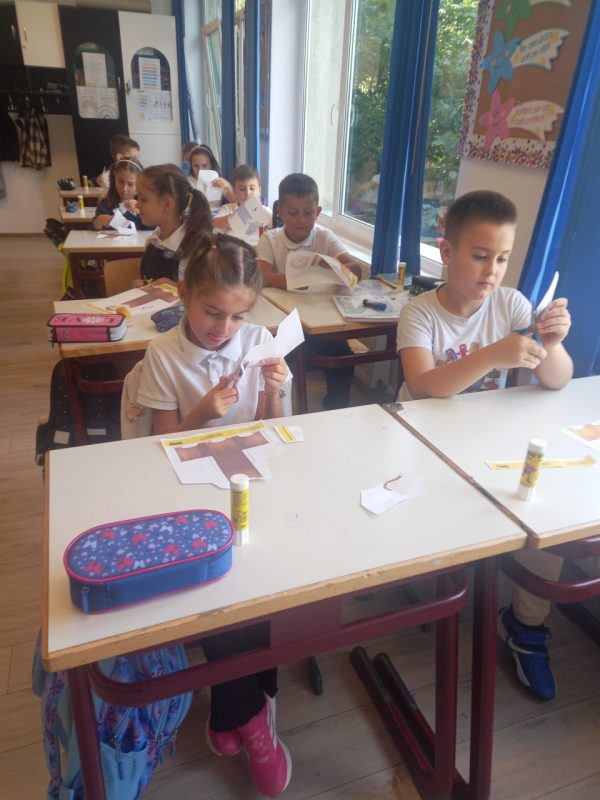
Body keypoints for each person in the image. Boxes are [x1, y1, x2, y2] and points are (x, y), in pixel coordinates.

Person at [130, 234, 292, 797]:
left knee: (266, 583)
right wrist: (202, 413)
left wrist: (274, 393)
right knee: (220, 593)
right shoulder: (164, 354)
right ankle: (252, 715)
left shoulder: (257, 341)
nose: (225, 328)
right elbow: (160, 447)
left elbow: (277, 430)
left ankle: (234, 708)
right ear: (184, 295)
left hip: (250, 485)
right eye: (212, 312)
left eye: (238, 315)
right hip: (186, 495)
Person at [396, 190, 573, 700]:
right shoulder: (420, 313)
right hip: (421, 440)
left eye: (501, 258)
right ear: (447, 251)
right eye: (479, 256)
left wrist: (553, 345)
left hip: (489, 440)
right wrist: (494, 354)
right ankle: (433, 576)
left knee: (542, 503)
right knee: (445, 511)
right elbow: (424, 387)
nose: (491, 270)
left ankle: (526, 624)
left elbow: (557, 380)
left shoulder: (512, 304)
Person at [256, 172, 363, 410]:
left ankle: (336, 406)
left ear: (318, 212)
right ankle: (278, 407)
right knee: (274, 361)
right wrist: (295, 280)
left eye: (308, 213)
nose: (301, 220)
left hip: (320, 323)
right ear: (280, 211)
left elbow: (356, 271)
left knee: (342, 356)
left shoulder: (324, 237)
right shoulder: (270, 240)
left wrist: (336, 267)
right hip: (280, 325)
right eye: (293, 213)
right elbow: (261, 276)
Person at [136, 163, 213, 283]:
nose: (137, 204)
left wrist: (174, 289)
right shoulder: (153, 241)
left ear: (167, 205)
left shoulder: (193, 248)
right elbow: (147, 280)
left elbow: (203, 292)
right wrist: (141, 284)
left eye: (143, 199)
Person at [92, 158, 154, 231]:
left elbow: (154, 227)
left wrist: (141, 212)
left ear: (139, 184)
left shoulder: (145, 204)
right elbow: (94, 228)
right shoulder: (106, 204)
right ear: (114, 179)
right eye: (121, 182)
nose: (124, 189)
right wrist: (98, 222)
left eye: (130, 184)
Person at [213, 163, 273, 231]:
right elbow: (213, 223)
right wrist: (234, 216)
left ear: (259, 191)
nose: (247, 193)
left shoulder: (264, 209)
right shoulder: (227, 209)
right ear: (235, 191)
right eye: (242, 189)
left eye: (252, 188)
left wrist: (263, 213)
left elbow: (276, 226)